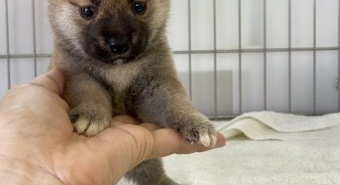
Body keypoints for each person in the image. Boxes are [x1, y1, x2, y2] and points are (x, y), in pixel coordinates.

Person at [0, 69, 225, 184]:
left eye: (138, 7)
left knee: (148, 157)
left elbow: (159, 87)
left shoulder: (153, 49)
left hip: (132, 131)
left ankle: (156, 180)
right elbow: (78, 80)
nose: (116, 32)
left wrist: (182, 115)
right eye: (88, 12)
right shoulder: (72, 55)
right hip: (77, 145)